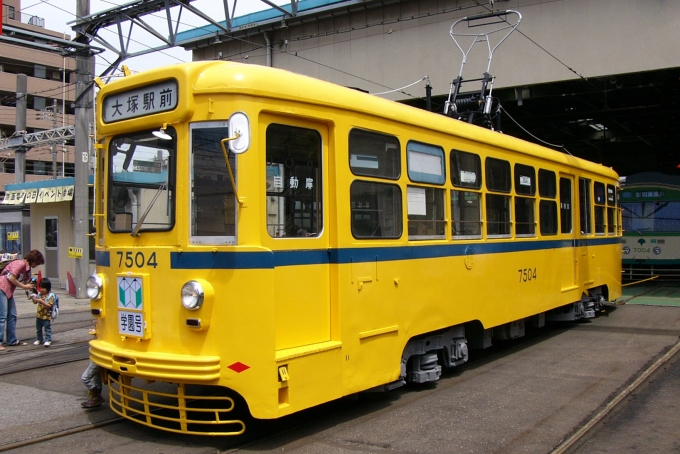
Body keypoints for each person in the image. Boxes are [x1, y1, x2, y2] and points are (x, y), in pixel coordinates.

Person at [0, 249, 44, 350]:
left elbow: (29, 285)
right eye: (37, 263)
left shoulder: (27, 270)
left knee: (12, 315)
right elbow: (11, 277)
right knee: (2, 316)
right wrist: (24, 286)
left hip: (8, 291)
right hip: (1, 288)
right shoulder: (20, 263)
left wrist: (34, 296)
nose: (37, 265)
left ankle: (12, 340)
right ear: (33, 260)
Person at [81, 322, 104, 408]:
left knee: (85, 378)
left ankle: (96, 396)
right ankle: (97, 397)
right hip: (98, 357)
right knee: (97, 377)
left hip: (96, 357)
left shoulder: (103, 333)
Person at [30, 277, 55, 347]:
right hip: (39, 315)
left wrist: (41, 301)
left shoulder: (50, 296)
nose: (41, 290)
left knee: (47, 329)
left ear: (48, 288)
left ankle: (48, 340)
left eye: (43, 288)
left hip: (46, 316)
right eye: (41, 288)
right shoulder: (40, 294)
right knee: (38, 329)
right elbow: (35, 302)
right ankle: (39, 339)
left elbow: (49, 306)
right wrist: (33, 298)